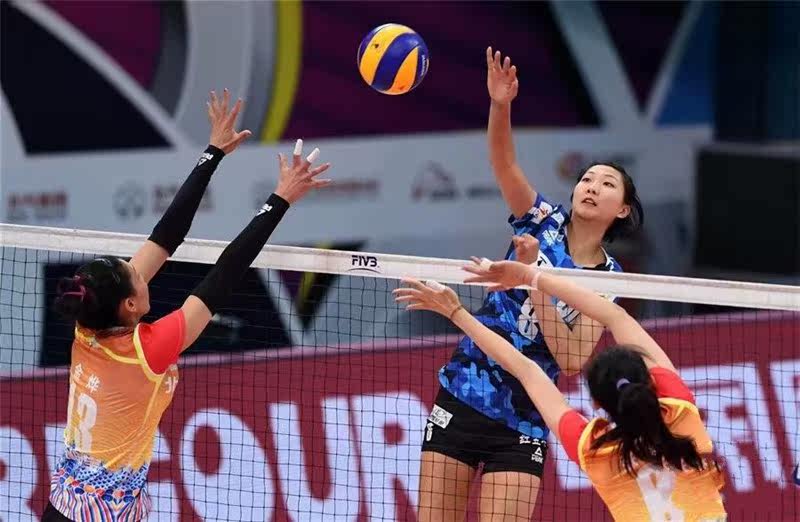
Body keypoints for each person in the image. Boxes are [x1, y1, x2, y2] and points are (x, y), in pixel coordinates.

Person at [43, 91, 331, 522]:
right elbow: (224, 275)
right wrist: (280, 200)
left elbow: (166, 235)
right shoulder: (147, 351)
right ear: (130, 304)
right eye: (134, 272)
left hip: (65, 506)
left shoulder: (88, 327)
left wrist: (213, 152)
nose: (141, 267)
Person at [417, 48, 644, 520]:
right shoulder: (542, 221)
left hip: (526, 418)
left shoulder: (607, 279)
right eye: (587, 179)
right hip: (464, 390)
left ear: (622, 209)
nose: (592, 186)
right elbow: (504, 164)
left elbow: (571, 359)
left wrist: (533, 277)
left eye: (607, 184)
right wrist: (500, 105)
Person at [394, 245, 726, 521]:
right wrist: (531, 276)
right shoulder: (682, 411)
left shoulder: (596, 449)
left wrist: (459, 311)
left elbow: (527, 371)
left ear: (596, 403)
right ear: (651, 382)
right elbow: (616, 317)